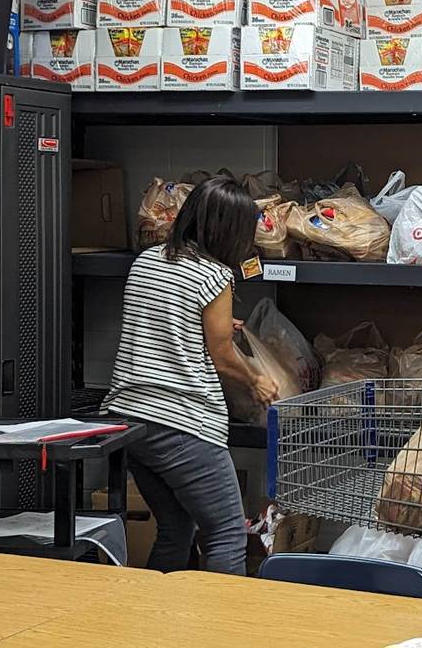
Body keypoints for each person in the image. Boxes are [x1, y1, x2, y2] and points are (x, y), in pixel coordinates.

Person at [102, 175, 280, 574]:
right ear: (229, 229)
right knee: (227, 533)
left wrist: (210, 325)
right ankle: (219, 629)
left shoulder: (146, 261)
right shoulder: (215, 275)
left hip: (127, 420)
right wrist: (256, 380)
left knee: (177, 526)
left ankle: (155, 621)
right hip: (179, 423)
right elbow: (221, 356)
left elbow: (165, 322)